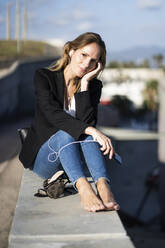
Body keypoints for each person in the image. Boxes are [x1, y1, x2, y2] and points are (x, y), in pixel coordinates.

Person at [19, 32, 119, 212]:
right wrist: (92, 130)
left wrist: (86, 84)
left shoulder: (94, 86)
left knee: (88, 136)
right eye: (84, 55)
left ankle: (103, 186)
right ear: (72, 51)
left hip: (74, 159)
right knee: (72, 133)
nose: (87, 64)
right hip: (46, 157)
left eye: (93, 61)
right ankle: (84, 188)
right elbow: (52, 114)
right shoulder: (44, 77)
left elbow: (88, 122)